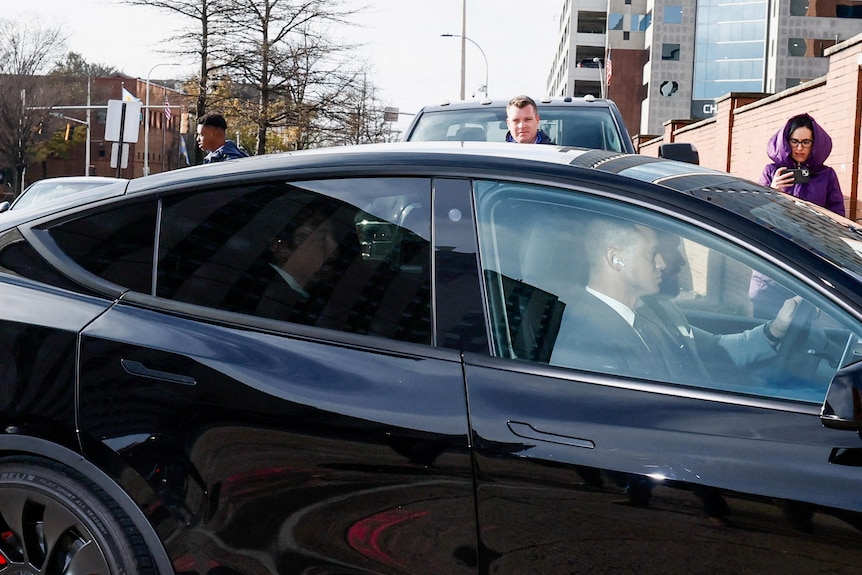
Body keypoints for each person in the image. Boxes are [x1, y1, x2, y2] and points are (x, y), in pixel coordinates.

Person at [550, 217, 798, 382]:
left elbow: (715, 350)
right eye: (651, 254)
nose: (662, 263)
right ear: (616, 259)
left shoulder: (653, 311)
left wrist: (774, 331)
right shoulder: (584, 341)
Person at [751, 113, 844, 317]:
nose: (800, 148)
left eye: (806, 142)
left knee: (803, 328)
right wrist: (772, 191)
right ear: (786, 141)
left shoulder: (826, 176)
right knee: (764, 324)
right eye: (794, 141)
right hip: (773, 261)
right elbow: (755, 216)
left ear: (815, 144)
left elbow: (837, 219)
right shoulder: (771, 171)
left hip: (809, 262)